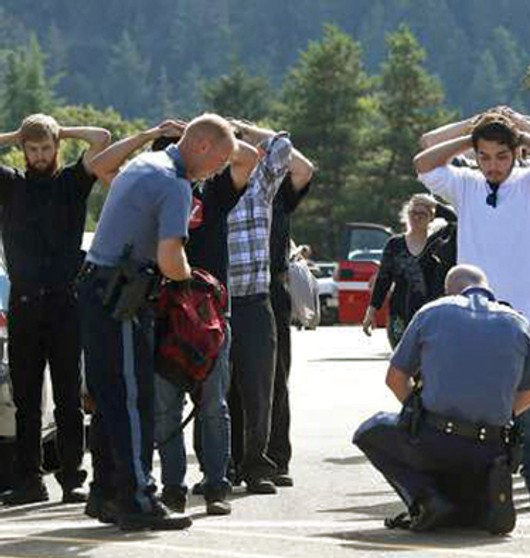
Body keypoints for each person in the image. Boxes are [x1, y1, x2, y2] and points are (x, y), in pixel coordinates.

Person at [79, 113, 235, 530]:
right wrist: (195, 282)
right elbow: (170, 259)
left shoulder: (144, 165)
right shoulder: (175, 184)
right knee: (132, 401)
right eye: (219, 161)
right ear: (201, 146)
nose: (218, 170)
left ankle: (106, 494)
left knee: (111, 399)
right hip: (123, 297)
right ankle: (138, 501)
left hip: (99, 289)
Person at [414, 109, 530, 509]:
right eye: (484, 157)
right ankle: (475, 480)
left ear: (516, 154)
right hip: (473, 315)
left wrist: (521, 131)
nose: (492, 165)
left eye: (501, 156)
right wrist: (471, 135)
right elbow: (423, 160)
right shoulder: (466, 184)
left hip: (526, 315)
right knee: (471, 402)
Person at [353, 265, 530, 534]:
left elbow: (395, 378)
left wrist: (417, 411)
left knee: (370, 430)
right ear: (488, 289)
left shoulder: (433, 313)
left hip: (437, 441)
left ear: (449, 291)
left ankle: (427, 499)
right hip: (490, 450)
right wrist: (498, 412)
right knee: (470, 485)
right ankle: (475, 503)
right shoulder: (518, 323)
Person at [0, 114, 110, 506]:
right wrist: (18, 133)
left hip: (66, 302)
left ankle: (71, 479)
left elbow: (102, 138)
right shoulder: (10, 185)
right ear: (23, 151)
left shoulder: (72, 183)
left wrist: (59, 129)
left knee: (67, 397)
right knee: (27, 400)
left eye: (46, 148)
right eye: (33, 148)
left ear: (56, 148)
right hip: (25, 304)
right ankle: (30, 480)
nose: (40, 155)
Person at [225, 120, 310, 495]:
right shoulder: (209, 186)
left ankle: (267, 461)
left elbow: (292, 156)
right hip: (220, 297)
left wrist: (240, 128)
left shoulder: (266, 186)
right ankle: (225, 463)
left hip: (264, 292)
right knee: (221, 387)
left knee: (268, 383)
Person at [267, 162, 315, 490]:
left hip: (271, 290)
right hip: (223, 290)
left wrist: (253, 133)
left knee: (275, 380)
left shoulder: (278, 193)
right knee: (225, 385)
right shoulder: (218, 187)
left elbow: (304, 169)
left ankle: (275, 459)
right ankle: (227, 463)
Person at [363, 194, 437, 347]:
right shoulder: (395, 244)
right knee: (402, 363)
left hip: (431, 316)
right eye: (413, 213)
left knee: (426, 364)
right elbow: (383, 279)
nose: (416, 217)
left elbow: (455, 220)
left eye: (422, 214)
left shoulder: (438, 244)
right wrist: (371, 311)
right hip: (399, 314)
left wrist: (435, 204)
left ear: (431, 217)